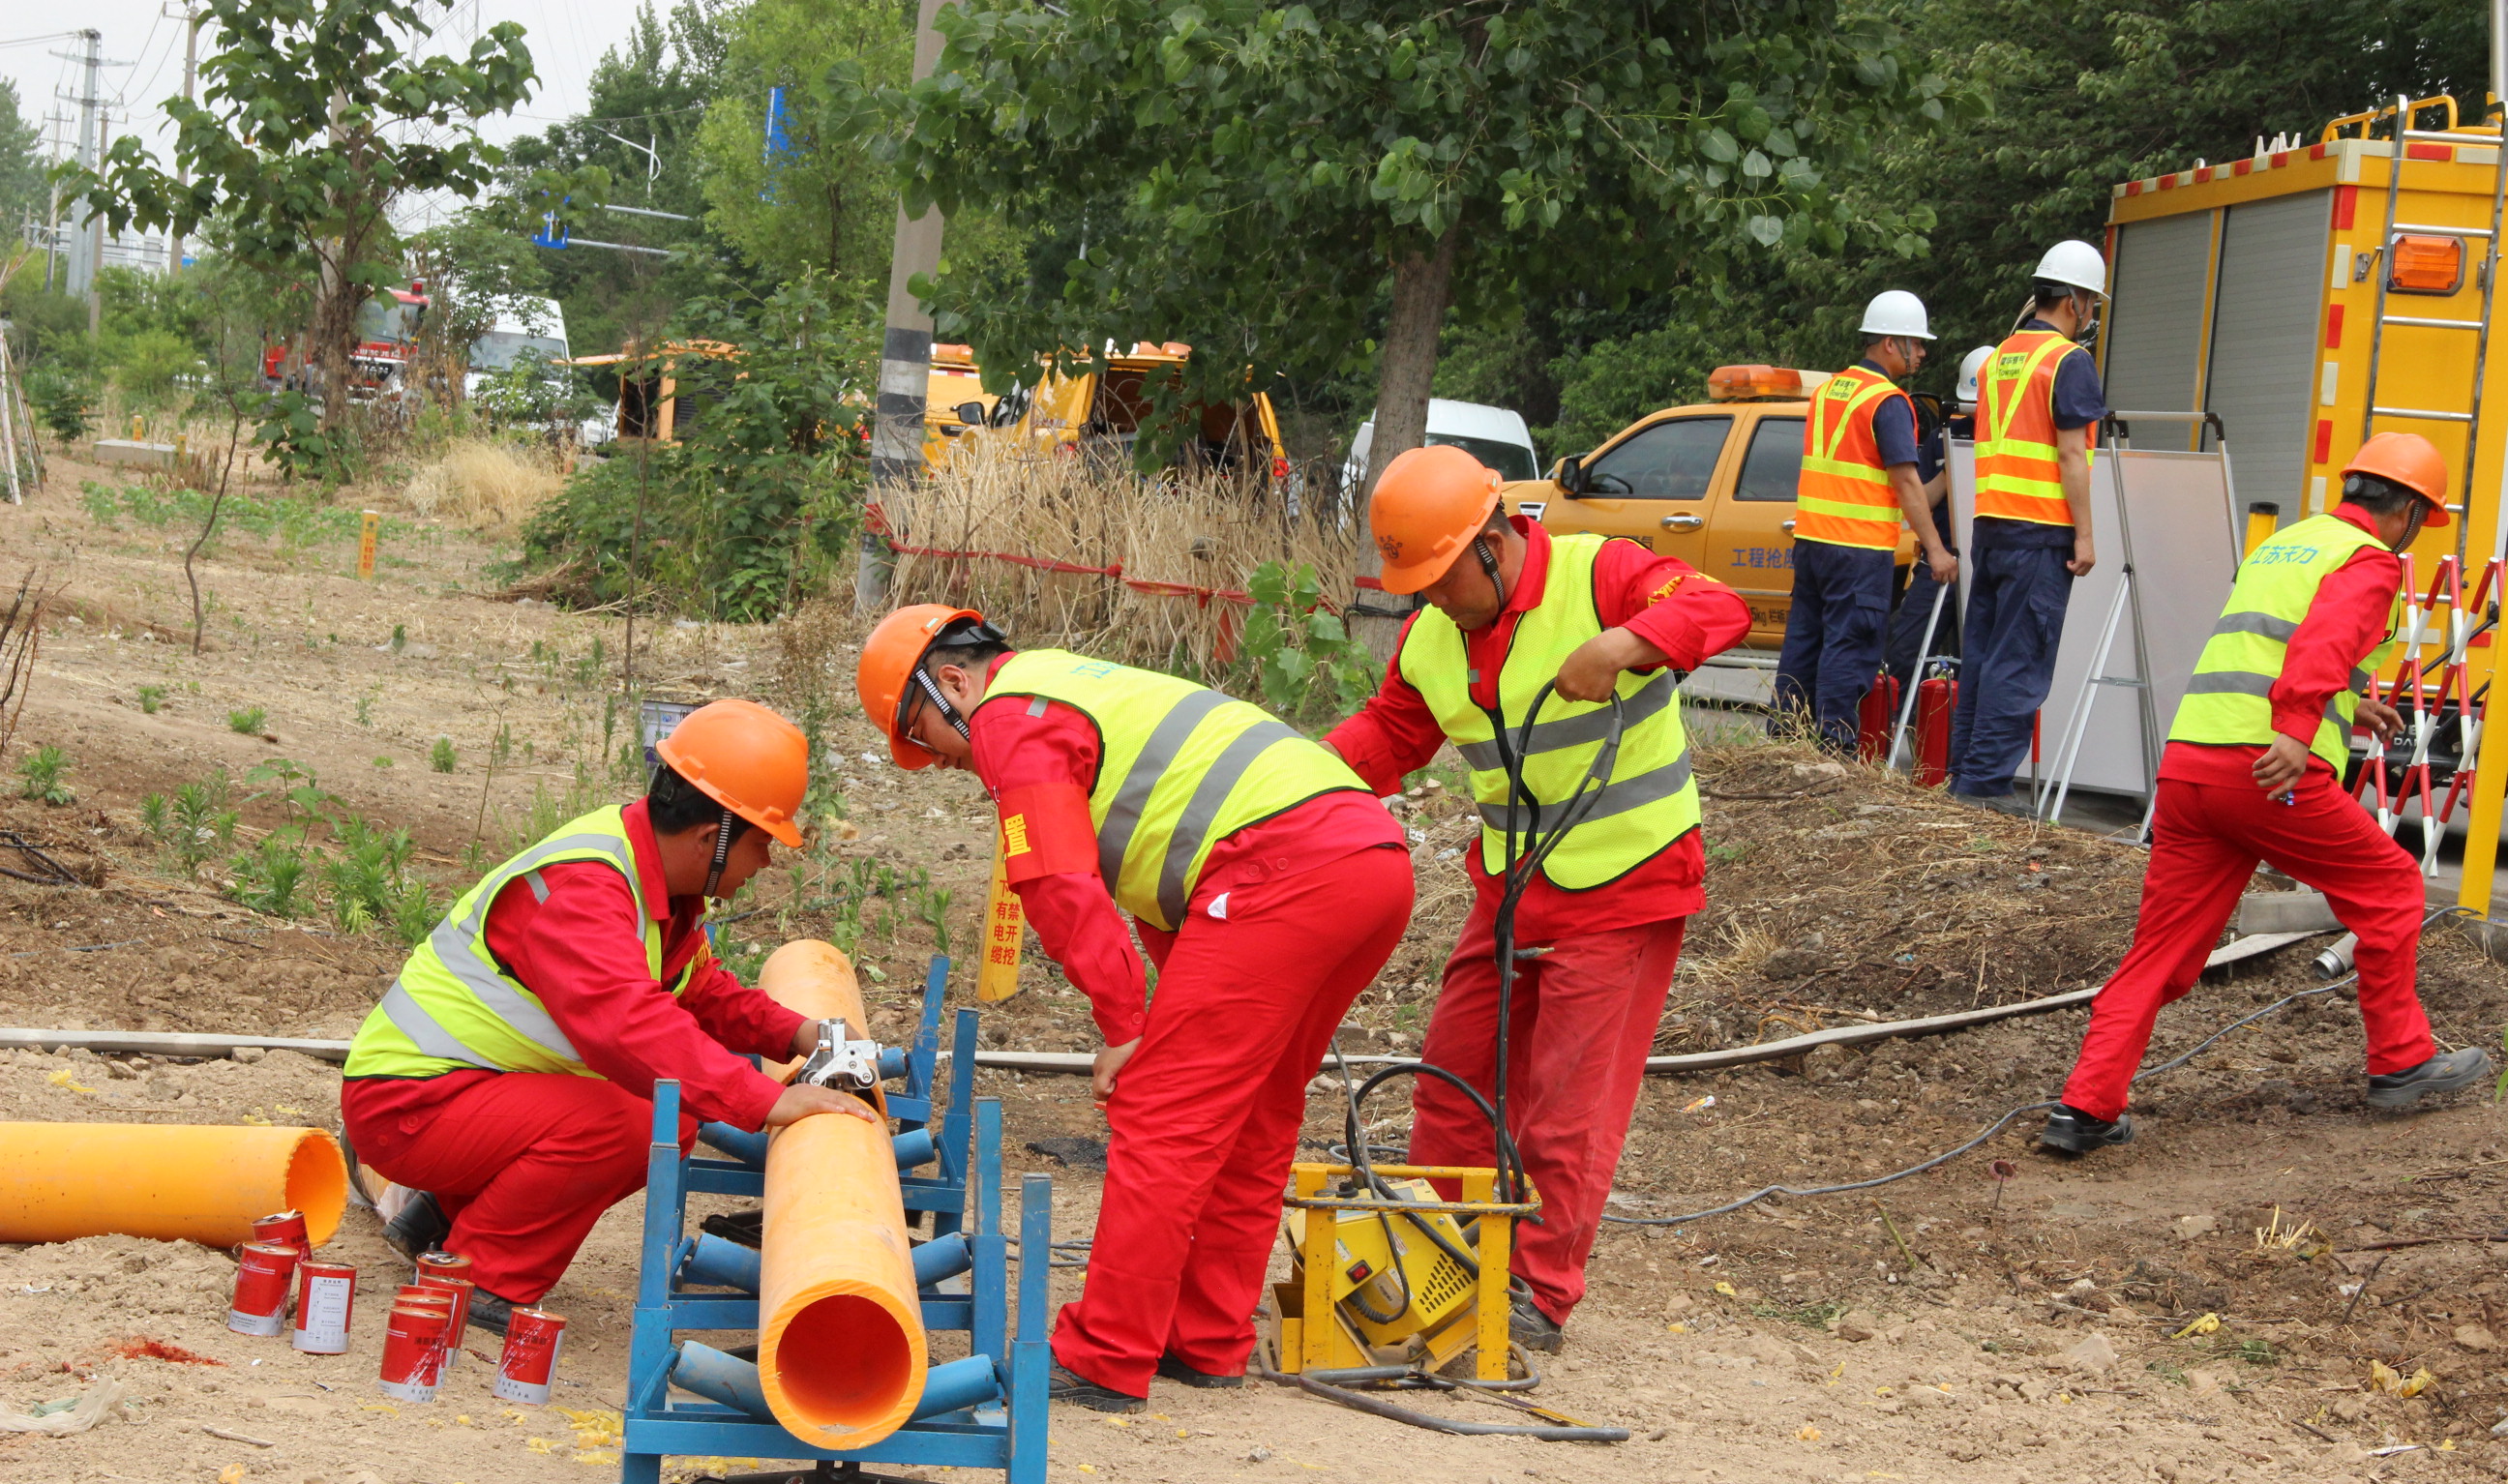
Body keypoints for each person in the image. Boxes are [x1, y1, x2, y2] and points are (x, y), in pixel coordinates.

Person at [854, 606, 1410, 1412]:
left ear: (950, 684)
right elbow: (1166, 878)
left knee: (1162, 1110)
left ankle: (1107, 1353)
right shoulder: (1073, 686)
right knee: (1253, 1115)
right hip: (1364, 863)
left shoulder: (1011, 716)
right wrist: (1152, 1014)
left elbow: (1053, 882)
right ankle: (1205, 1339)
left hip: (1282, 869)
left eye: (925, 741)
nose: (940, 765)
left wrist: (1128, 1028)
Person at [1324, 444, 1754, 1350]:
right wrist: (1293, 775)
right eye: (1419, 584)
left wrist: (1628, 641)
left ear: (1494, 540)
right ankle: (1450, 1263)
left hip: (1627, 882)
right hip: (1514, 888)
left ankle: (1538, 1292)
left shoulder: (1603, 573)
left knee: (1566, 1108)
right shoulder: (1433, 636)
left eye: (1442, 577)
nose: (1431, 598)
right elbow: (1391, 732)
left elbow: (1716, 607)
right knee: (1449, 1083)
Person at [341, 700, 871, 1330]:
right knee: (639, 1122)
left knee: (663, 1117)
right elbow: (630, 1027)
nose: (767, 865)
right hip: (407, 1105)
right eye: (763, 843)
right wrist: (766, 1100)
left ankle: (439, 1216)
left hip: (457, 1092)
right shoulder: (585, 891)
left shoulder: (650, 878)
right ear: (712, 839)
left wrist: (803, 1034)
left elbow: (698, 991)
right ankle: (477, 1278)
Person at [2040, 433, 2493, 1153]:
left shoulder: (2290, 543)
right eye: (2420, 520)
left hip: (2190, 768)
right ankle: (2403, 1062)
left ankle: (2084, 1108)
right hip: (2267, 770)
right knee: (2393, 889)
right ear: (2405, 508)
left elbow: (2269, 644)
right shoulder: (2367, 559)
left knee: (2158, 951)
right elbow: (2319, 642)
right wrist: (2297, 725)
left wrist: (2346, 698)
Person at [1947, 242, 2111, 813]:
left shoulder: (1996, 358)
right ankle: (1985, 790)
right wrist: (2085, 535)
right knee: (2018, 666)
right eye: (2089, 302)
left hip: (1991, 530)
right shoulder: (2069, 362)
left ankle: (1963, 780)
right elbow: (2071, 456)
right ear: (2073, 301)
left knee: (1986, 661)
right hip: (2040, 534)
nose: (2090, 314)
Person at [1773, 290, 1958, 752]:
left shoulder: (1830, 390)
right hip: (1858, 550)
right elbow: (1906, 484)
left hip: (1814, 542)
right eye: (1915, 343)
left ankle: (1784, 739)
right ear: (1890, 344)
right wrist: (1936, 548)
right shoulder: (1888, 401)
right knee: (1849, 644)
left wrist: (1949, 477)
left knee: (1805, 640)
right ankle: (1835, 745)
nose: (1922, 353)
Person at [1885, 344, 1990, 688]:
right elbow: (1922, 500)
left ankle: (1955, 737)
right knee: (1905, 651)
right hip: (1943, 559)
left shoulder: (2016, 439)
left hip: (1990, 561)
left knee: (1974, 657)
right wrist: (1953, 469)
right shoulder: (1945, 437)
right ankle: (1902, 727)